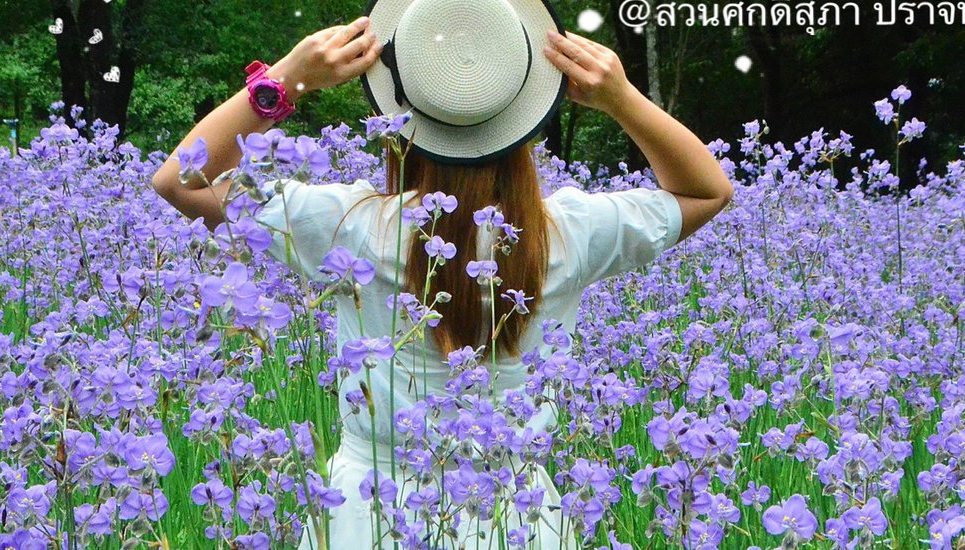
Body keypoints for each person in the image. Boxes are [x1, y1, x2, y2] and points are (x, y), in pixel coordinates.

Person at [152, 1, 732, 547]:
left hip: (368, 512)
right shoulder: (571, 234)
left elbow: (180, 179)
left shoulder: (349, 226)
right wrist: (620, 98)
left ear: (399, 120)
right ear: (525, 122)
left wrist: (288, 79)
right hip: (518, 515)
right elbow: (707, 190)